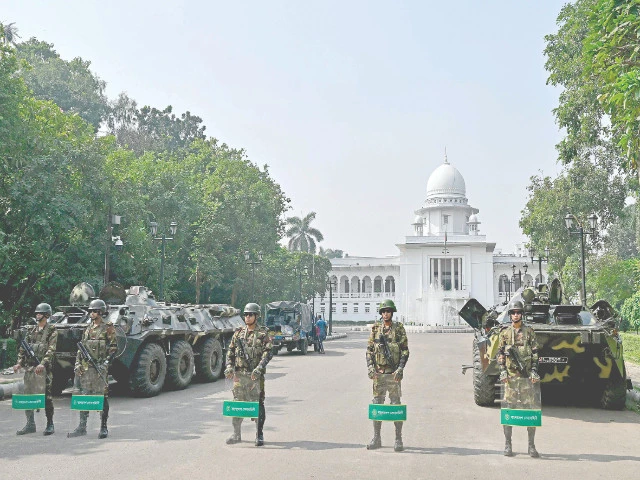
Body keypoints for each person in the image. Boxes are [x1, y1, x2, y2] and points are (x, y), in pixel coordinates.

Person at [224, 302, 273, 446]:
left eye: (250, 314)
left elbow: (268, 353)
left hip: (254, 376)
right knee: (237, 404)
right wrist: (229, 367)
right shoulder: (238, 333)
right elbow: (230, 353)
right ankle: (236, 434)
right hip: (240, 376)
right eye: (245, 314)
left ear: (256, 316)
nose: (247, 317)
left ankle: (259, 434)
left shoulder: (264, 333)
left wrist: (259, 368)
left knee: (258, 405)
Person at [497, 299, 540, 458]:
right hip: (511, 379)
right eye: (513, 312)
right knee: (509, 411)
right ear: (510, 315)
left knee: (530, 411)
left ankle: (531, 446)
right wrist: (502, 371)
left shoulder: (529, 332)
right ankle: (508, 444)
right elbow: (500, 353)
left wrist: (534, 371)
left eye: (518, 312)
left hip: (527, 377)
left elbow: (535, 353)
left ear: (522, 314)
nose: (516, 315)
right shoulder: (505, 333)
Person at [69, 299, 117, 439]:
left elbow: (113, 349)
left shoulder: (108, 327)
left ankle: (103, 427)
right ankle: (82, 426)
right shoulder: (87, 329)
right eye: (90, 311)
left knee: (102, 397)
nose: (92, 313)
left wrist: (105, 363)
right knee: (84, 396)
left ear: (101, 312)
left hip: (100, 368)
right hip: (86, 368)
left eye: (95, 311)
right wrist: (77, 364)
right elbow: (80, 349)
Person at [365, 299, 409, 452]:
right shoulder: (376, 329)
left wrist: (401, 368)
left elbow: (405, 350)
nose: (386, 314)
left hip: (393, 374)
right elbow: (369, 350)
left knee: (396, 406)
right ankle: (376, 437)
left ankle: (398, 438)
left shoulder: (399, 328)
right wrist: (370, 367)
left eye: (388, 311)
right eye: (383, 311)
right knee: (377, 405)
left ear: (392, 312)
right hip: (378, 374)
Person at [13, 303, 58, 436]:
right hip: (30, 369)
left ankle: (50, 424)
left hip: (44, 369)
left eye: (40, 313)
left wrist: (43, 363)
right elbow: (23, 348)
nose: (37, 315)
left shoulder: (52, 330)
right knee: (28, 396)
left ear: (46, 315)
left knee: (46, 397)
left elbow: (51, 349)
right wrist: (19, 363)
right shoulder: (31, 331)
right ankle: (30, 424)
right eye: (37, 313)